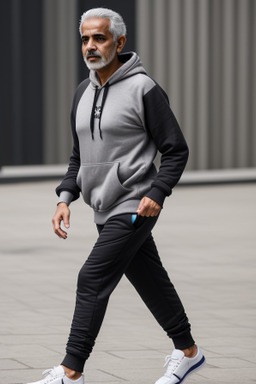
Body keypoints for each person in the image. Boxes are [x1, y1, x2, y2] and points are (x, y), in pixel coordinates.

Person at [26, 8, 205, 384]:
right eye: (85, 39)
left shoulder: (144, 89)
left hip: (136, 203)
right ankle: (188, 351)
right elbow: (79, 156)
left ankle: (71, 371)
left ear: (119, 42)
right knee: (150, 280)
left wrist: (158, 192)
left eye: (100, 38)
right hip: (102, 207)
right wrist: (64, 198)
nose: (90, 46)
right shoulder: (82, 92)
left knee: (92, 278)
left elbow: (176, 149)